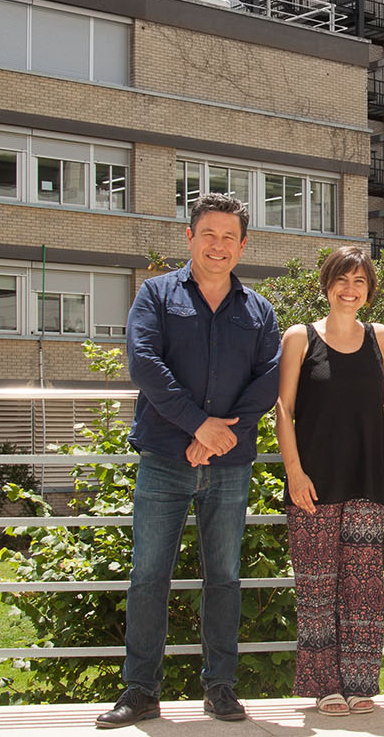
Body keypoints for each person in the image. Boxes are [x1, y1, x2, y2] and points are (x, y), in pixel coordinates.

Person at [97, 193, 280, 729]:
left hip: (229, 463)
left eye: (229, 237)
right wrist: (196, 425)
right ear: (190, 237)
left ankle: (220, 688)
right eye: (209, 234)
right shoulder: (155, 294)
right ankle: (140, 692)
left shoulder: (259, 310)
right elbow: (144, 362)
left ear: (242, 246)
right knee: (149, 575)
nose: (218, 246)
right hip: (164, 457)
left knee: (223, 576)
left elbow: (266, 379)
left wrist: (220, 435)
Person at [273, 246, 384, 716]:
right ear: (327, 285)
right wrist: (294, 471)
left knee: (364, 583)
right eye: (342, 281)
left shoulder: (380, 336)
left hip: (367, 476)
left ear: (369, 291)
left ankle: (360, 682)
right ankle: (323, 685)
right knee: (316, 585)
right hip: (314, 480)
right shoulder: (300, 337)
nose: (350, 290)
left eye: (359, 282)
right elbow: (283, 407)